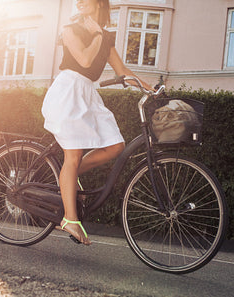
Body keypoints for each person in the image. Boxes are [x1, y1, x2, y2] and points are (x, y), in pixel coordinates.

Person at [42, 0, 154, 245]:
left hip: (87, 94)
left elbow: (122, 71)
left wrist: (150, 88)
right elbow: (83, 60)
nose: (79, 2)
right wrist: (95, 35)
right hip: (68, 91)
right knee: (73, 156)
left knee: (115, 146)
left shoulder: (105, 36)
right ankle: (70, 220)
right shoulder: (70, 29)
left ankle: (67, 177)